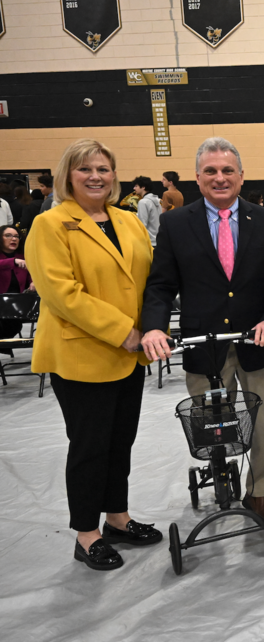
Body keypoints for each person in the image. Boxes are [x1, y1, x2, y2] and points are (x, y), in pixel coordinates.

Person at [141, 137, 264, 522]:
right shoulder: (175, 223)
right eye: (210, 171)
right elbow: (160, 285)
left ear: (242, 177)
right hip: (203, 345)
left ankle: (261, 493)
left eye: (228, 170)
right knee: (214, 428)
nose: (220, 177)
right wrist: (154, 328)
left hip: (256, 344)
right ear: (197, 177)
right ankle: (219, 468)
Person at [25, 139, 160, 571]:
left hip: (130, 354)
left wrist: (154, 328)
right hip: (83, 355)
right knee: (89, 447)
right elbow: (63, 294)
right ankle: (87, 533)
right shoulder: (50, 224)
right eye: (85, 170)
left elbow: (147, 281)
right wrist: (124, 332)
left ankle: (117, 518)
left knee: (121, 442)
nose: (95, 176)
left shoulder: (129, 220)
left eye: (103, 168)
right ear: (68, 176)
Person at [0, 224, 35, 350]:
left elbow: (32, 273)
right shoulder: (15, 260)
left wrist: (33, 282)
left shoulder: (23, 256)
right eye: (8, 236)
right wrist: (12, 261)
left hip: (16, 307)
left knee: (14, 326)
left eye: (16, 236)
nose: (13, 239)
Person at [132, 176, 160, 246]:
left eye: (136, 186)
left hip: (149, 241)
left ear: (143, 187)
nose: (134, 188)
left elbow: (142, 224)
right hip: (158, 240)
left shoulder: (143, 202)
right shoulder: (158, 200)